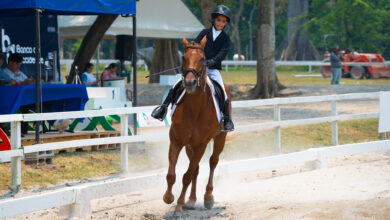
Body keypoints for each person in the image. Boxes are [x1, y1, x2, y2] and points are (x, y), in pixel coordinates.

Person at [151, 5, 234, 132]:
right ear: (214, 20)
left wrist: (210, 62)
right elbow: (194, 47)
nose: (220, 23)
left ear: (226, 23)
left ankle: (227, 119)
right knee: (177, 84)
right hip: (196, 68)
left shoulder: (226, 39)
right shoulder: (204, 33)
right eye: (218, 20)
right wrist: (194, 61)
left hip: (213, 69)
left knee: (223, 91)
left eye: (223, 21)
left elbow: (222, 54)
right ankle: (163, 108)